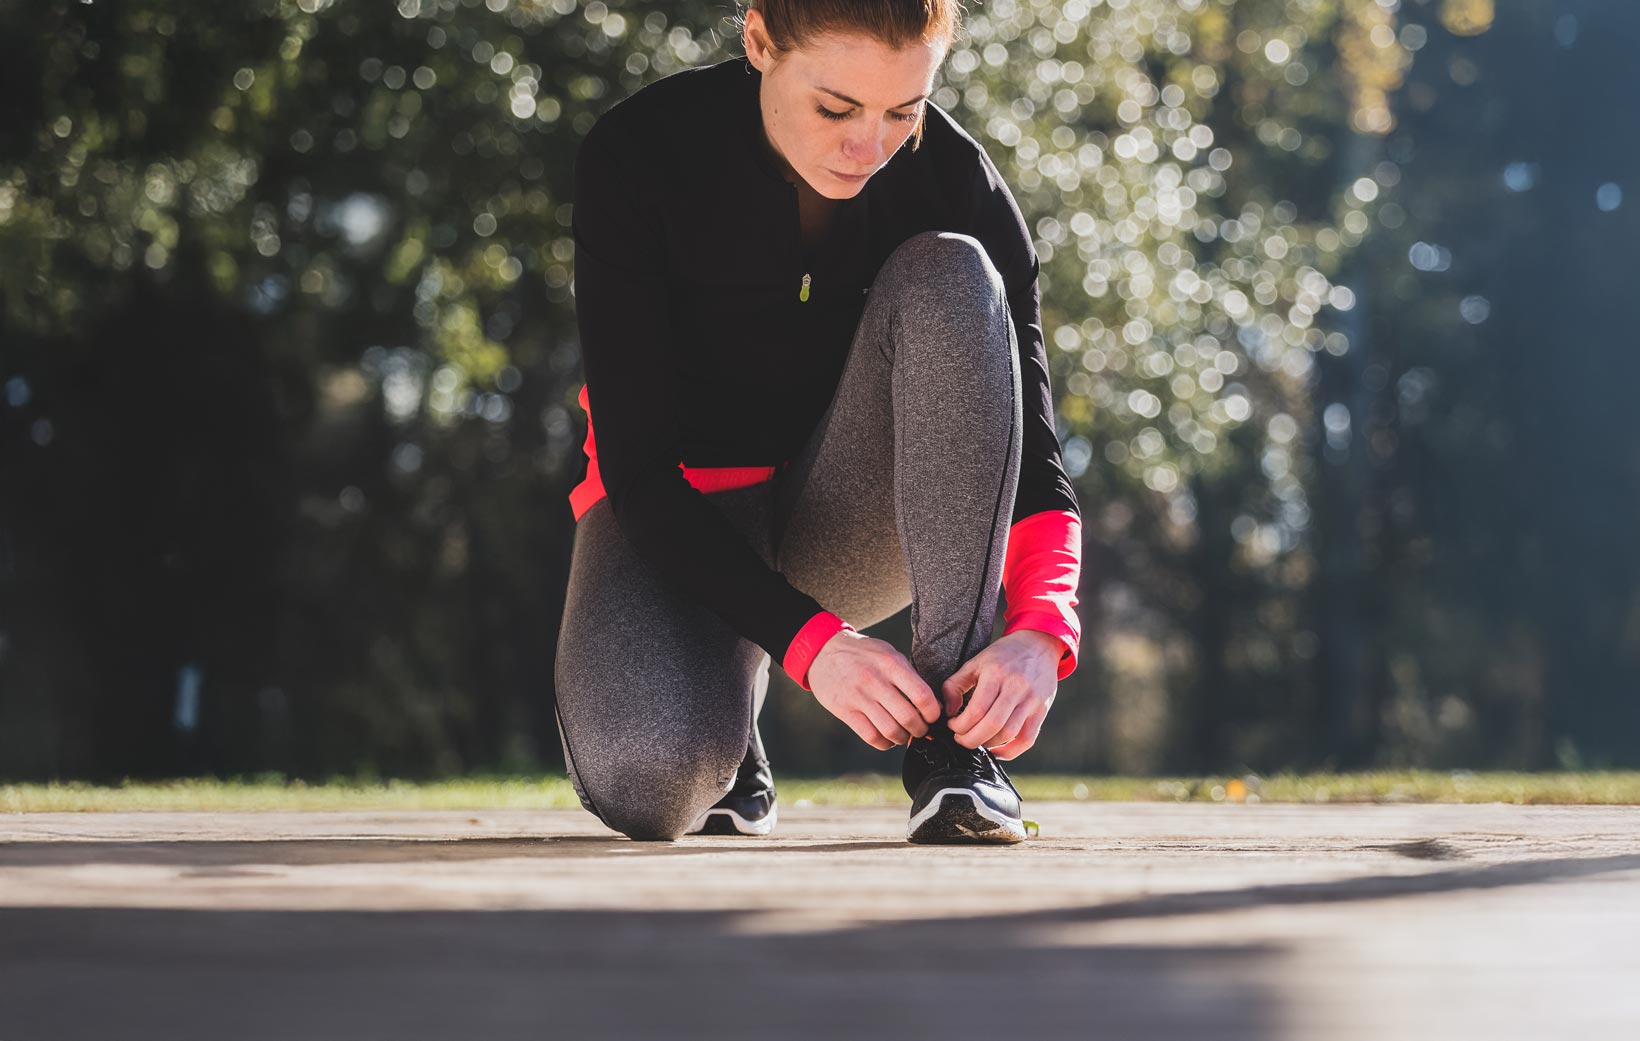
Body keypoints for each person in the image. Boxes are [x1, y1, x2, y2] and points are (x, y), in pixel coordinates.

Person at [554, 0, 1083, 844]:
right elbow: (642, 474)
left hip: (839, 520)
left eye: (902, 112)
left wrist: (1042, 629)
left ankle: (955, 750)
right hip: (674, 518)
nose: (868, 147)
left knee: (955, 271)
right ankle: (733, 718)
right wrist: (811, 644)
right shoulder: (638, 157)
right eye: (835, 108)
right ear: (759, 40)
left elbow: (1038, 462)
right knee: (644, 781)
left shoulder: (958, 185)